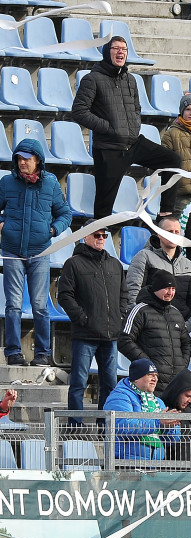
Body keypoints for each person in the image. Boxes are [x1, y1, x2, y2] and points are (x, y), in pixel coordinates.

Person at [71, 37, 181, 217]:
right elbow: (79, 111)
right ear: (107, 52)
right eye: (116, 48)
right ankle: (96, 241)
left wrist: (134, 125)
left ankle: (165, 215)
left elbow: (136, 107)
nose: (120, 52)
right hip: (109, 149)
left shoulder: (130, 80)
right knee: (103, 208)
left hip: (134, 143)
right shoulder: (92, 79)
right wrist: (108, 128)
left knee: (172, 160)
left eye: (124, 49)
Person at [0, 138, 72, 367]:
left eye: (27, 159)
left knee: (40, 305)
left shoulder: (50, 183)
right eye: (19, 158)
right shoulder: (6, 182)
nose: (22, 163)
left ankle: (42, 353)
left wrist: (52, 229)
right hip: (12, 251)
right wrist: (3, 225)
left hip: (40, 252)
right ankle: (13, 353)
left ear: (38, 160)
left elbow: (65, 214)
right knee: (13, 305)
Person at [56, 224, 128, 423]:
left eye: (104, 235)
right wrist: (82, 318)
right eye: (97, 235)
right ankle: (74, 428)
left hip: (110, 335)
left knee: (110, 385)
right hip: (85, 334)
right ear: (85, 237)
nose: (101, 238)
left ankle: (104, 427)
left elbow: (124, 294)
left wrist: (120, 316)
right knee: (79, 383)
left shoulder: (115, 264)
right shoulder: (73, 264)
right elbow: (64, 295)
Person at [120, 270, 191, 397]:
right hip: (152, 383)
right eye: (166, 288)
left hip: (176, 383)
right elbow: (124, 340)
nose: (170, 293)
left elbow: (186, 342)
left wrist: (183, 365)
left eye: (173, 288)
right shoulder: (140, 310)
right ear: (156, 288)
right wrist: (148, 365)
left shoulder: (176, 313)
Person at [125, 215, 191, 333]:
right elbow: (133, 293)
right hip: (150, 331)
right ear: (159, 233)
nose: (174, 235)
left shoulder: (189, 265)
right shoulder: (143, 257)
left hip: (180, 332)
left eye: (177, 232)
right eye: (169, 231)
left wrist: (184, 328)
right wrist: (143, 325)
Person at [103, 358, 181, 462]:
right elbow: (122, 426)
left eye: (156, 375)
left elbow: (173, 439)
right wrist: (158, 422)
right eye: (150, 375)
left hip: (156, 463)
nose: (155, 379)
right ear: (136, 378)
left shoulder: (158, 402)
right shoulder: (120, 396)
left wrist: (169, 426)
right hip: (126, 463)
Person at [160, 368, 191, 464]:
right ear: (177, 391)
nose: (190, 401)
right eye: (187, 396)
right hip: (171, 472)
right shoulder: (162, 408)